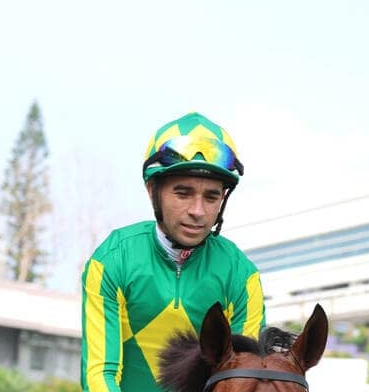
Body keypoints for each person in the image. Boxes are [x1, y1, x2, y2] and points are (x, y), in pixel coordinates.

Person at [80, 112, 266, 391]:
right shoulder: (113, 260)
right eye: (183, 193)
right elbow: (99, 373)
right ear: (152, 190)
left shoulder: (241, 275)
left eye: (211, 196)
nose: (197, 211)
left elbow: (244, 380)